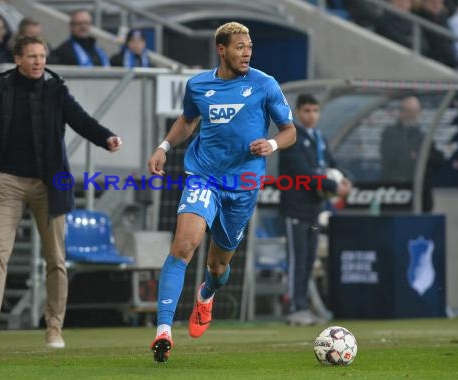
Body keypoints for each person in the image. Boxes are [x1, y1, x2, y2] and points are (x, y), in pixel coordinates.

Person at [147, 21, 296, 363]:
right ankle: (164, 331)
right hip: (204, 177)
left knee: (217, 266)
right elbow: (187, 120)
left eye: (250, 47)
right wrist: (164, 147)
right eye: (240, 47)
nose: (247, 52)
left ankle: (207, 294)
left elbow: (290, 131)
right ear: (222, 49)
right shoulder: (198, 85)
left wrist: (271, 143)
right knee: (183, 245)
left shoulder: (264, 84)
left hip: (243, 186)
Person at [0, 36, 122, 349]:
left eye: (42, 56)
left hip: (49, 184)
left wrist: (106, 138)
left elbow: (80, 120)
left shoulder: (56, 90)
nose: (38, 62)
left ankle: (54, 328)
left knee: (56, 259)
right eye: (32, 56)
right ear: (18, 59)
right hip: (7, 182)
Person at [278, 94, 352, 326]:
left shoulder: (318, 138)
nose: (311, 115)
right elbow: (303, 174)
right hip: (295, 209)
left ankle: (303, 305)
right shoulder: (292, 138)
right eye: (307, 110)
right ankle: (293, 308)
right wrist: (334, 186)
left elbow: (331, 164)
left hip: (314, 209)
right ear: (298, 112)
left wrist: (345, 180)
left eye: (315, 110)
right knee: (297, 259)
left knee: (309, 260)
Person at [380, 95, 444, 212]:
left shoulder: (423, 137)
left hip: (420, 194)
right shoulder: (390, 133)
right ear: (401, 112)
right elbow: (392, 158)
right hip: (396, 194)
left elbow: (438, 160)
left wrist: (419, 157)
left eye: (415, 111)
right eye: (408, 111)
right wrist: (413, 156)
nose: (411, 115)